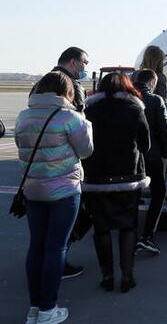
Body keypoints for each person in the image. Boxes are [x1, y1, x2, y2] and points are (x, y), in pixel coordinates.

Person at [15, 71, 93, 324]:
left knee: (36, 246)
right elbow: (86, 151)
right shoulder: (70, 118)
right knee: (55, 247)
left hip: (33, 189)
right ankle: (48, 310)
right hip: (64, 191)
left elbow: (21, 146)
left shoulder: (23, 116)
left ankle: (35, 308)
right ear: (66, 91)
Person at [82, 73, 150, 293]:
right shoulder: (134, 109)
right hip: (128, 177)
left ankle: (107, 276)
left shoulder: (90, 110)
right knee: (127, 226)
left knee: (101, 228)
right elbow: (145, 144)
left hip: (97, 177)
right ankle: (127, 277)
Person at [33, 47, 91, 280]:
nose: (86, 67)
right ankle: (57, 267)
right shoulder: (71, 86)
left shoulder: (42, 84)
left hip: (36, 169)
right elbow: (80, 132)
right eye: (85, 62)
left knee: (40, 233)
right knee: (63, 229)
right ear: (73, 62)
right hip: (62, 169)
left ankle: (40, 271)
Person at [133, 69, 167, 255]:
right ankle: (147, 235)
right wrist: (166, 153)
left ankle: (130, 235)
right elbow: (164, 130)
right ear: (152, 82)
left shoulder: (125, 99)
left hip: (130, 158)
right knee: (159, 192)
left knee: (133, 194)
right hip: (152, 156)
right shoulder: (155, 100)